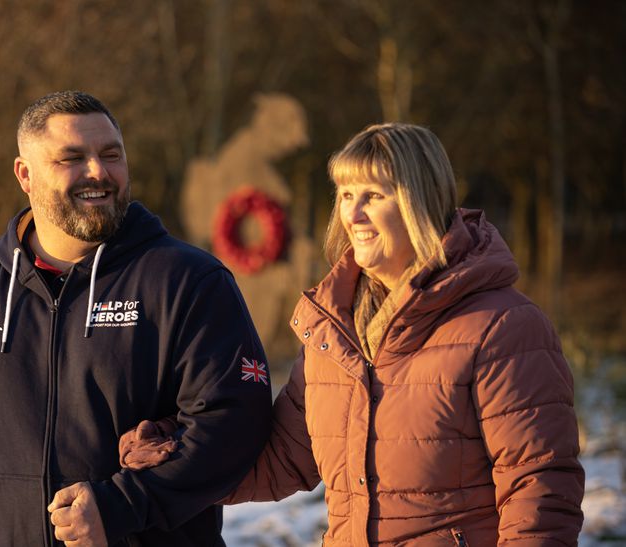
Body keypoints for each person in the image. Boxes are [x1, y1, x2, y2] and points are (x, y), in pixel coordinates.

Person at [120, 123, 585, 545]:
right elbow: (281, 460)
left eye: (374, 195)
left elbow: (539, 488)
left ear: (421, 201)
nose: (354, 214)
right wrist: (175, 449)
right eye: (345, 194)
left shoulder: (503, 327)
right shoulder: (332, 333)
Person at [0, 90, 272, 546]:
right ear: (25, 174)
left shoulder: (189, 281)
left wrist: (123, 506)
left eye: (110, 154)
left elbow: (234, 421)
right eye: (72, 158)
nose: (98, 172)